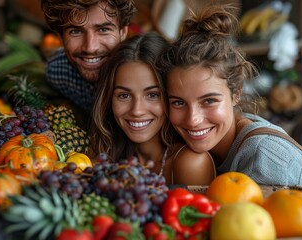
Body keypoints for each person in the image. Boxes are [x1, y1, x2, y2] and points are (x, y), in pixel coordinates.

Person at [156, 4, 302, 188]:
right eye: (178, 102)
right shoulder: (227, 139)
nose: (193, 120)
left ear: (236, 93)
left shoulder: (262, 159)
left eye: (209, 101)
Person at [90, 32, 216, 186]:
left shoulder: (190, 163)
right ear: (109, 99)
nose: (137, 110)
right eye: (124, 95)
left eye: (152, 95)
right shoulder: (106, 158)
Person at [41, 0, 137, 115]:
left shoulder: (143, 78)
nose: (90, 48)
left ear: (123, 33)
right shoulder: (57, 71)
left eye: (103, 30)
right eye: (76, 31)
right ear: (61, 38)